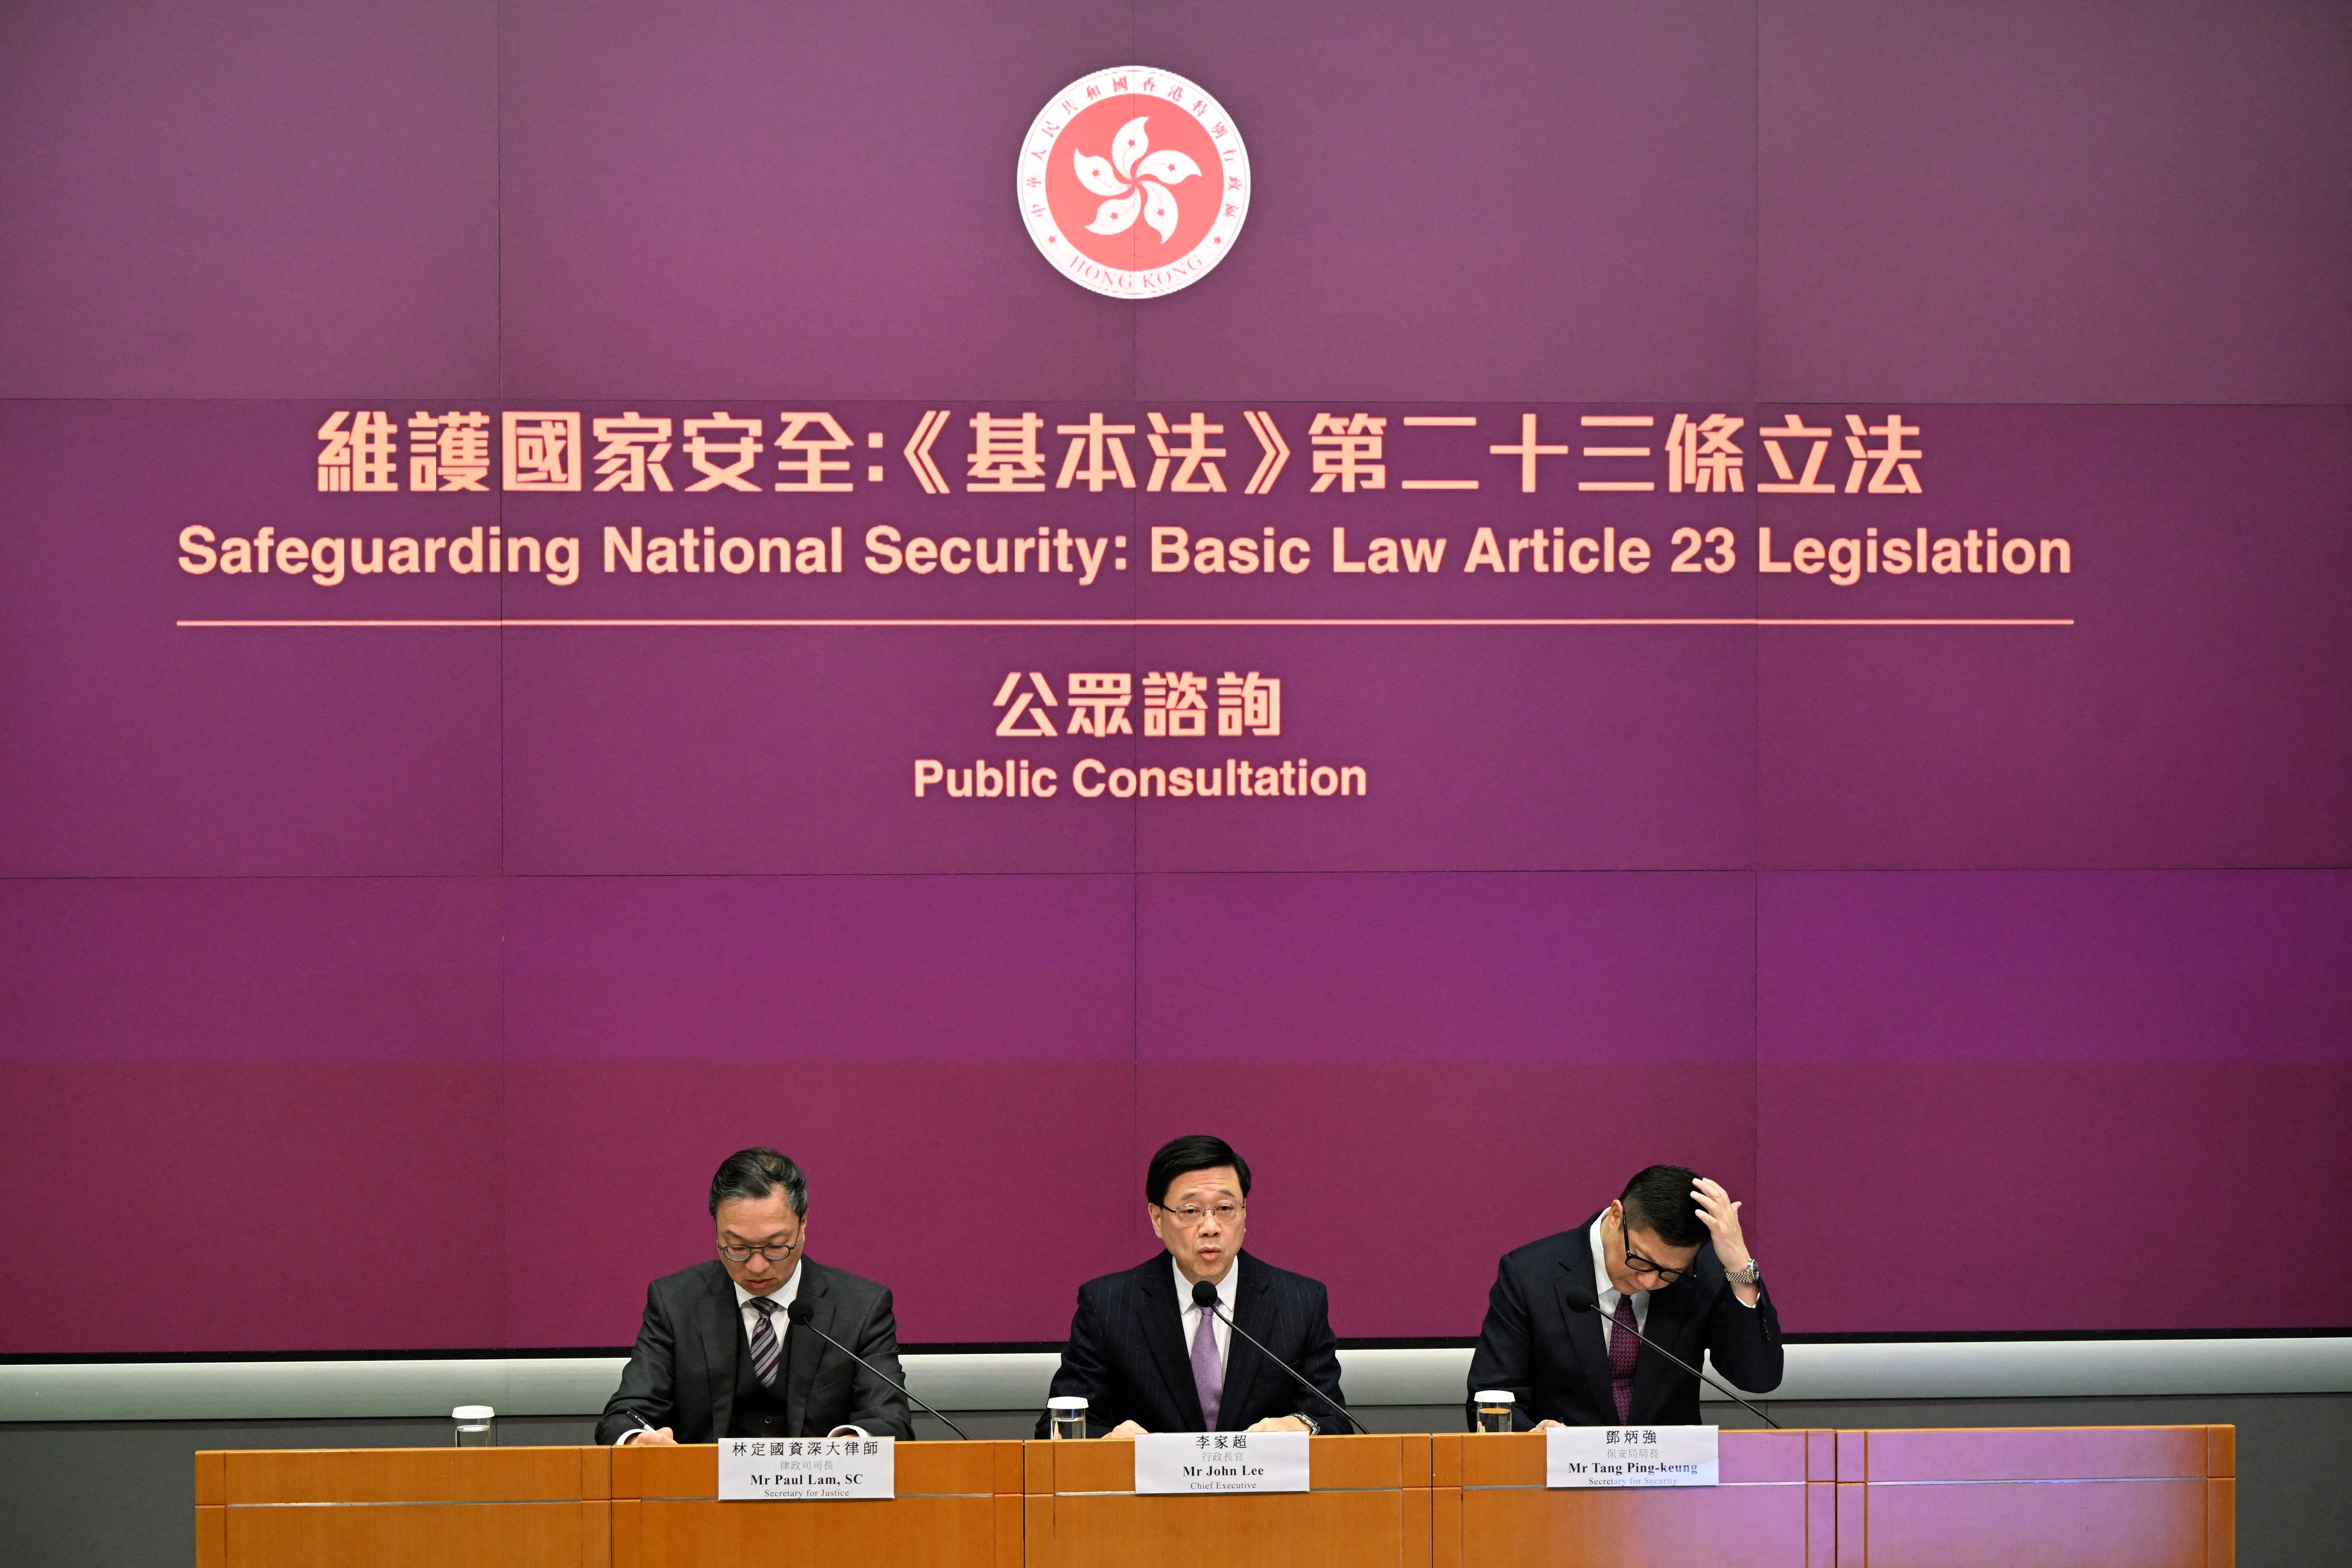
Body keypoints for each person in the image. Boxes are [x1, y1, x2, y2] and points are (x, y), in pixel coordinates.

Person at [1037, 1134, 1353, 1438]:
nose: (1211, 1227)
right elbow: (1057, 1428)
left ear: (1245, 1212)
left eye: (1226, 1208)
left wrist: (1304, 1426)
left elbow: (1335, 1421)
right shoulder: (1108, 1305)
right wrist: (1108, 1444)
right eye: (1191, 1211)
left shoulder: (1299, 1302)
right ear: (1157, 1219)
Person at [597, 1147, 913, 1444]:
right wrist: (637, 1440)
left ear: (803, 1223)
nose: (757, 1265)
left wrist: (851, 1447)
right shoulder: (675, 1302)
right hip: (704, 1494)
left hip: (816, 1493)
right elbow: (625, 1414)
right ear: (716, 1229)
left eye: (776, 1246)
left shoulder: (861, 1307)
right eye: (737, 1248)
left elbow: (889, 1418)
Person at [1464, 1166, 1781, 1428]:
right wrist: (1529, 1438)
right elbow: (1492, 1393)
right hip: (1561, 1483)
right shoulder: (1531, 1274)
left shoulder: (1701, 1274)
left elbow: (1759, 1378)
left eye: (1668, 1273)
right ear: (1616, 1215)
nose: (1648, 1280)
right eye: (1639, 1260)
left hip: (1670, 1483)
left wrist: (1740, 1265)